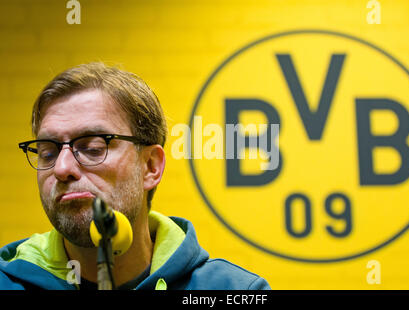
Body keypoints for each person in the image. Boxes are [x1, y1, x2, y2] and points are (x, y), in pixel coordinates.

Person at [0, 62, 270, 290]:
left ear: (151, 166)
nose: (62, 168)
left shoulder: (234, 290)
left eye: (93, 148)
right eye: (48, 152)